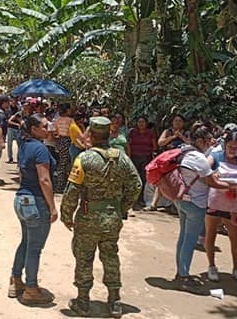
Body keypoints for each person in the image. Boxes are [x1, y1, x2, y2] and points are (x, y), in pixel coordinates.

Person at [60, 116, 142, 318]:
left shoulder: (84, 159)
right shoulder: (122, 158)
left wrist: (66, 215)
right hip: (112, 217)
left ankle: (83, 302)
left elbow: (72, 190)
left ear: (92, 135)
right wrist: (122, 207)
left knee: (84, 257)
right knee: (110, 256)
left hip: (88, 217)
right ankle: (114, 301)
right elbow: (136, 185)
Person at [173, 125, 237, 292]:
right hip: (196, 204)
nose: (211, 142)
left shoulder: (184, 152)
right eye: (208, 139)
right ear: (200, 140)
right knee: (189, 240)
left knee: (183, 237)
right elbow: (213, 183)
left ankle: (180, 272)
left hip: (182, 200)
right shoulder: (200, 159)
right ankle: (184, 277)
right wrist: (233, 186)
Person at [9, 113, 57, 305]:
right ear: (34, 129)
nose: (49, 129)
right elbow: (44, 180)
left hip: (21, 200)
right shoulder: (40, 149)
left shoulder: (25, 145)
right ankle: (31, 288)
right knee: (34, 248)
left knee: (26, 242)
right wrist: (53, 207)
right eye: (45, 127)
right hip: (35, 202)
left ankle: (15, 280)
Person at [204, 131, 237, 285]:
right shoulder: (216, 157)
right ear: (225, 145)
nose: (233, 150)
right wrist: (213, 174)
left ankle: (236, 269)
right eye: (230, 146)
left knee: (235, 237)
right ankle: (211, 266)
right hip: (214, 203)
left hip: (233, 206)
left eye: (236, 147)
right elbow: (203, 168)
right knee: (211, 234)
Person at [128, 116, 157, 207]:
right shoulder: (133, 132)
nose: (141, 124)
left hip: (146, 157)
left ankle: (141, 199)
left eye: (143, 122)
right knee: (135, 178)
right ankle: (134, 200)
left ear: (146, 123)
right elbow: (128, 144)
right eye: (139, 122)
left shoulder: (150, 133)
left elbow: (154, 146)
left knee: (144, 179)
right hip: (134, 157)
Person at [53, 103, 73, 193]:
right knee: (65, 163)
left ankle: (60, 185)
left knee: (62, 162)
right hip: (67, 141)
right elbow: (73, 131)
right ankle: (61, 186)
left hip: (60, 141)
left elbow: (55, 132)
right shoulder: (70, 120)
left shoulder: (57, 120)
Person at [6, 97, 21, 164]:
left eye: (15, 101)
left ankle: (19, 158)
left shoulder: (18, 109)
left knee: (19, 144)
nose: (14, 102)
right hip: (10, 128)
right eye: (13, 101)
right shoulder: (8, 109)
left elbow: (19, 118)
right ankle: (10, 158)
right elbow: (7, 119)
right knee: (9, 144)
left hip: (17, 128)